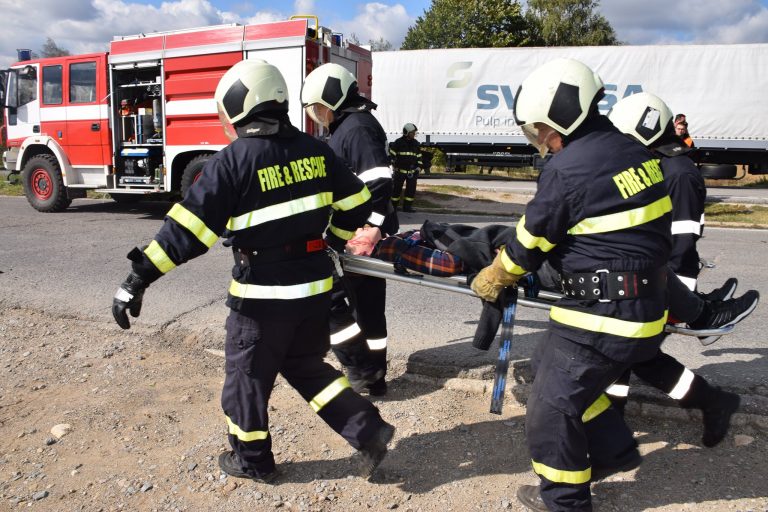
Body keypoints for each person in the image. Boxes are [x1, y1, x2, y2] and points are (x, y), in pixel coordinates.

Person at [111, 59, 395, 483]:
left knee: (245, 379)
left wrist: (137, 280)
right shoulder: (318, 150)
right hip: (315, 291)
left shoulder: (232, 162)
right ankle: (369, 430)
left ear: (241, 104)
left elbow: (185, 233)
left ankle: (253, 461)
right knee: (306, 367)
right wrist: (330, 241)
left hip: (262, 298)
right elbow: (358, 207)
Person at [470, 58, 674, 512]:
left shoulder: (570, 168)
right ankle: (613, 451)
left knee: (548, 408)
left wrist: (495, 275)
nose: (540, 140)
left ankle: (564, 502)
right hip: (644, 306)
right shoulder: (633, 151)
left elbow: (530, 240)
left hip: (602, 313)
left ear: (563, 115)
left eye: (540, 128)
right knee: (547, 364)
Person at [605, 92, 758, 444]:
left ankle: (611, 430)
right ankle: (712, 403)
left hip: (668, 282)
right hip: (653, 279)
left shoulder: (679, 174)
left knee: (625, 355)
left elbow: (682, 243)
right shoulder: (657, 166)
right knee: (634, 356)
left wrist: (669, 296)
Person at [301, 63, 398, 396]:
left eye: (318, 107)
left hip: (362, 235)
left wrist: (373, 228)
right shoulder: (350, 125)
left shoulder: (355, 128)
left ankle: (371, 377)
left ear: (333, 98)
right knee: (362, 308)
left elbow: (380, 181)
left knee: (361, 308)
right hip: (355, 231)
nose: (317, 115)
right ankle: (372, 377)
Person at [389, 123, 423, 212]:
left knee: (410, 191)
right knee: (396, 191)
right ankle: (393, 207)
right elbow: (391, 156)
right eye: (412, 132)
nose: (414, 134)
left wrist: (418, 168)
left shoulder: (416, 143)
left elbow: (419, 157)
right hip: (400, 172)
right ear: (406, 132)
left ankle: (407, 208)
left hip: (412, 173)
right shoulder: (398, 142)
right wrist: (392, 166)